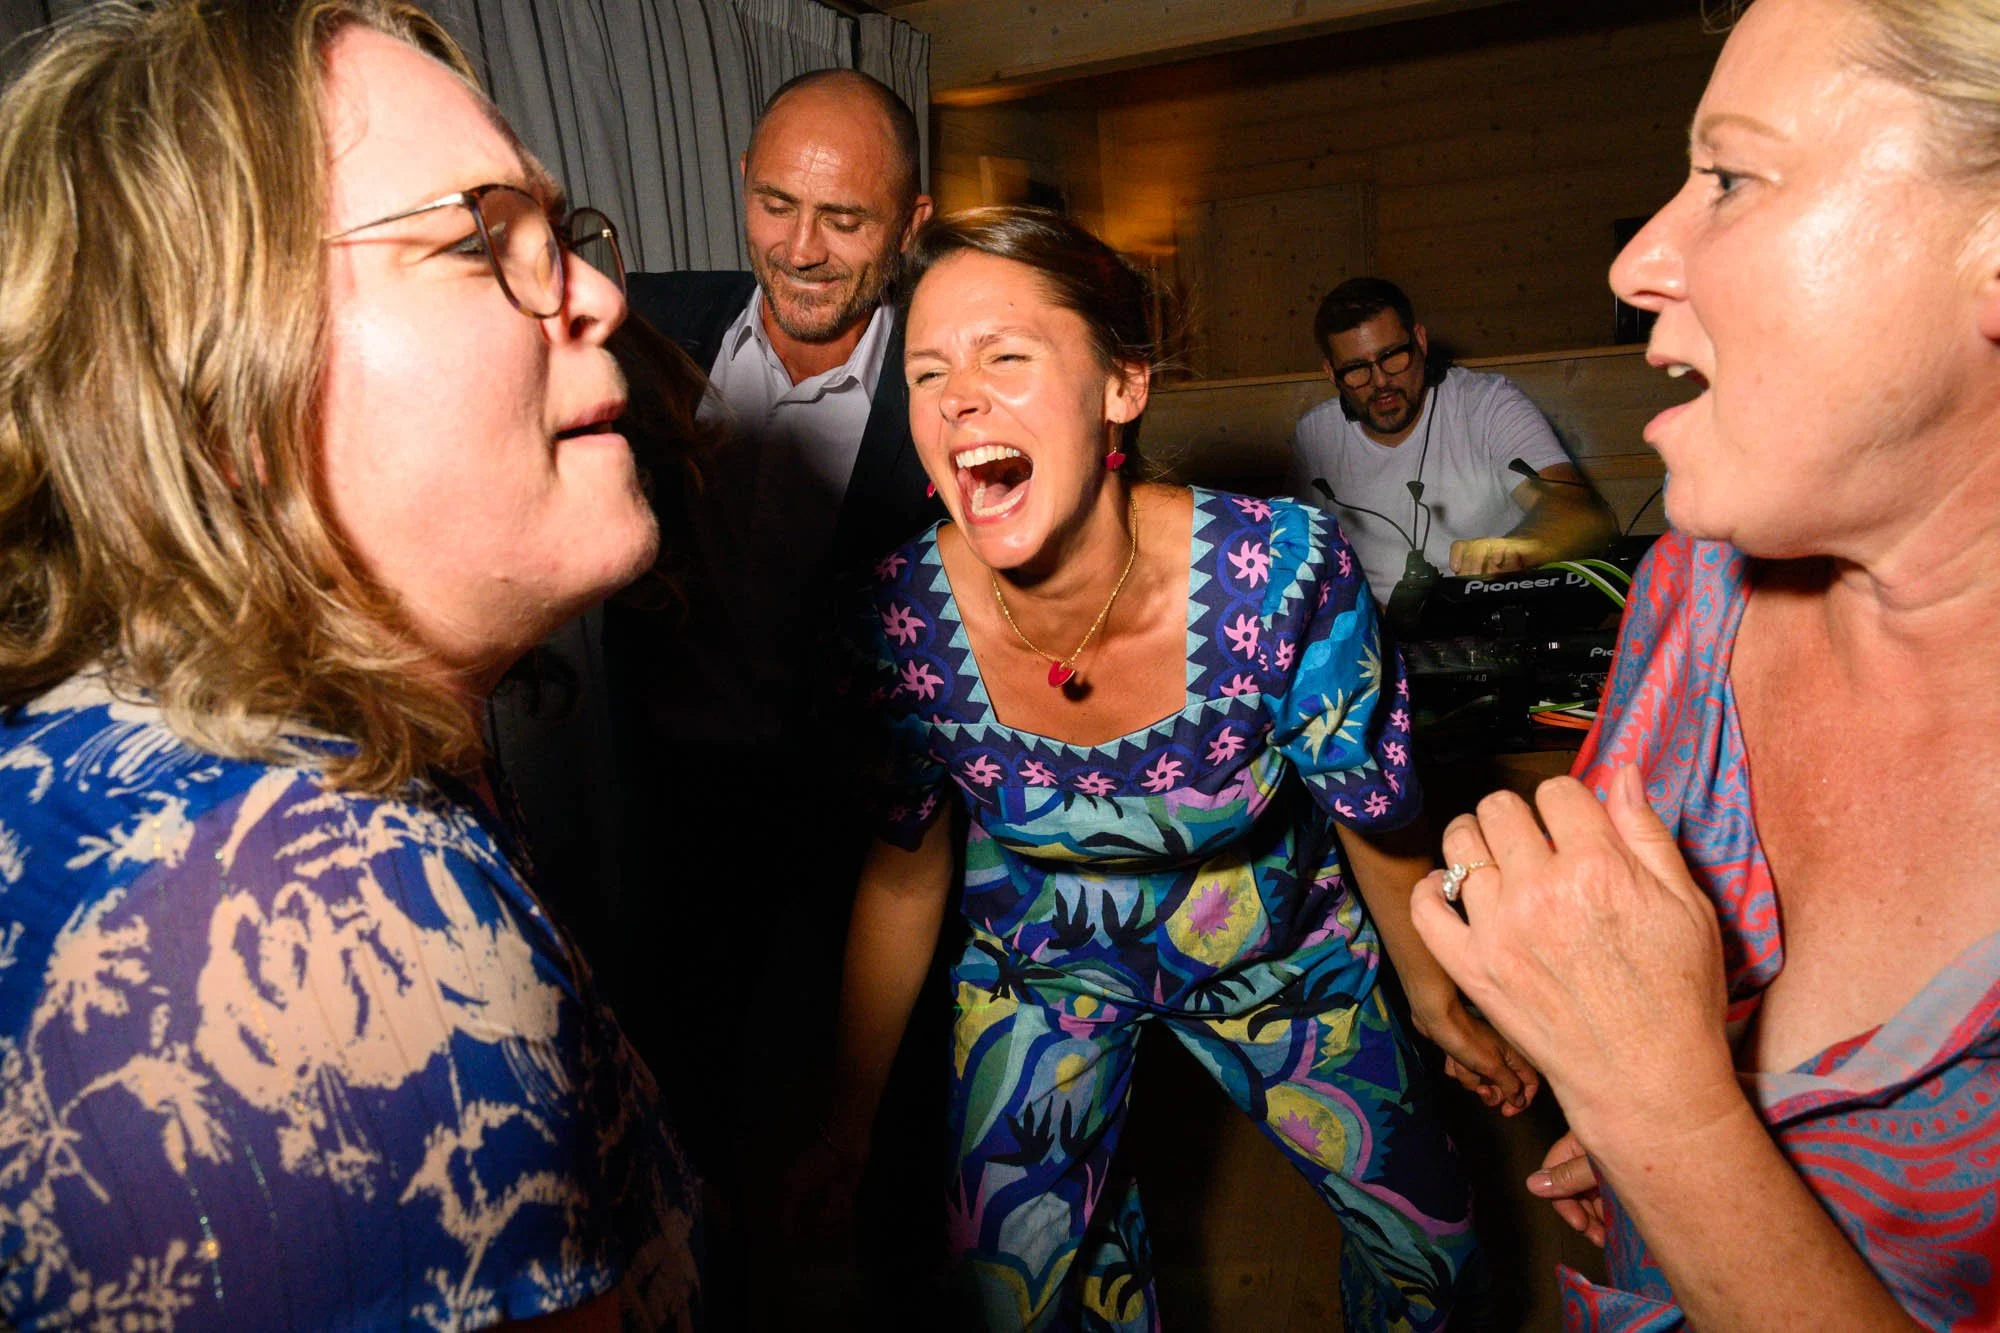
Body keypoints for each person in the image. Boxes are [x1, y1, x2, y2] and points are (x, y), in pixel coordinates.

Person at [0, 2, 698, 1327]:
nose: (603, 296)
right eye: (477, 236)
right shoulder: (318, 931)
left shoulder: (165, 758)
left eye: (567, 235)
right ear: (214, 379)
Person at [816, 206, 1538, 1331]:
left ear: (1121, 385)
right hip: (1039, 972)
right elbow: (904, 872)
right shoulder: (896, 619)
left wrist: (1440, 992)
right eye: (925, 371)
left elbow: (1375, 814)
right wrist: (846, 1114)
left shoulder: (1280, 573)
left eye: (1005, 355)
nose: (957, 395)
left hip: (1276, 945)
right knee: (1021, 1293)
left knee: (1431, 1259)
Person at [1408, 0, 2000, 1327]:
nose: (1636, 263)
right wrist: (1686, 1154)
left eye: (1730, 175)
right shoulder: (1696, 582)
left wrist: (1664, 1114)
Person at [1290, 277, 1617, 605]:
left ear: (1419, 341)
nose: (1381, 381)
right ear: (1331, 373)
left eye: (1392, 356)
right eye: (1357, 369)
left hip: (1488, 621)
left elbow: (1579, 512)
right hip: (1374, 636)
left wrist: (1516, 548)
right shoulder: (1315, 436)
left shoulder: (1488, 404)